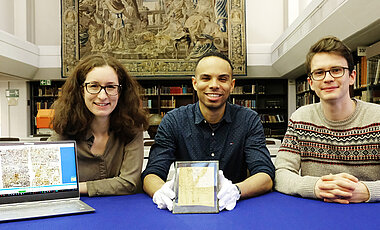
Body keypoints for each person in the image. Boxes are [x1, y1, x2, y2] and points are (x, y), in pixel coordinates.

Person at [142, 51, 275, 211]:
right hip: (185, 208)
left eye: (222, 79)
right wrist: (159, 192)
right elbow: (152, 173)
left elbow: (265, 175)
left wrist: (236, 190)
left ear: (232, 85)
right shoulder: (173, 120)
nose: (214, 85)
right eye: (206, 78)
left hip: (234, 208)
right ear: (194, 83)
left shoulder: (248, 120)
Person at [275, 36, 380, 203]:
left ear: (352, 76)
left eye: (336, 70)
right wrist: (315, 186)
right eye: (319, 72)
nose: (328, 78)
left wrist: (368, 191)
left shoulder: (378, 118)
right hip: (316, 213)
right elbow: (281, 173)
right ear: (310, 82)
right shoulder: (300, 118)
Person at [49, 54, 148, 197]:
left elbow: (129, 183)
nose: (102, 96)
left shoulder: (133, 128)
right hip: (77, 212)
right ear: (81, 90)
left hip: (124, 210)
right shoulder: (64, 129)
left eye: (111, 87)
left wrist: (75, 187)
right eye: (94, 86)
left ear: (120, 91)